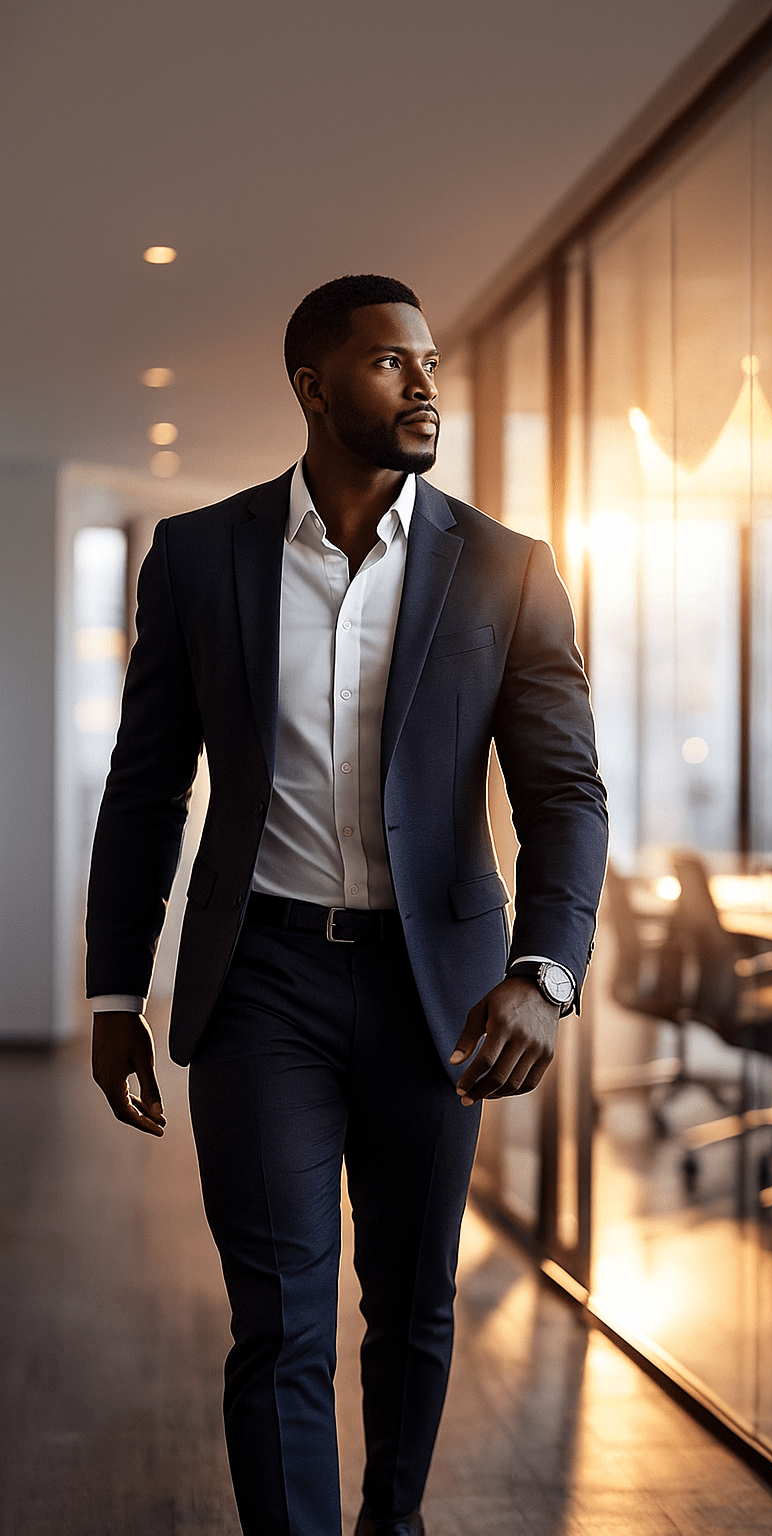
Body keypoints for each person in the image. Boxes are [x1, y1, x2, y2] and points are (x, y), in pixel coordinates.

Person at [86, 274, 608, 1536]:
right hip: (260, 980)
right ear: (313, 389)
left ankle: (395, 1521)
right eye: (389, 362)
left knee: (414, 1303)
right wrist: (113, 993)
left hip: (442, 998)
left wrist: (544, 977)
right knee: (278, 1318)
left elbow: (566, 796)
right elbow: (147, 784)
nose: (423, 384)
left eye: (428, 362)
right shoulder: (200, 556)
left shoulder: (507, 568)